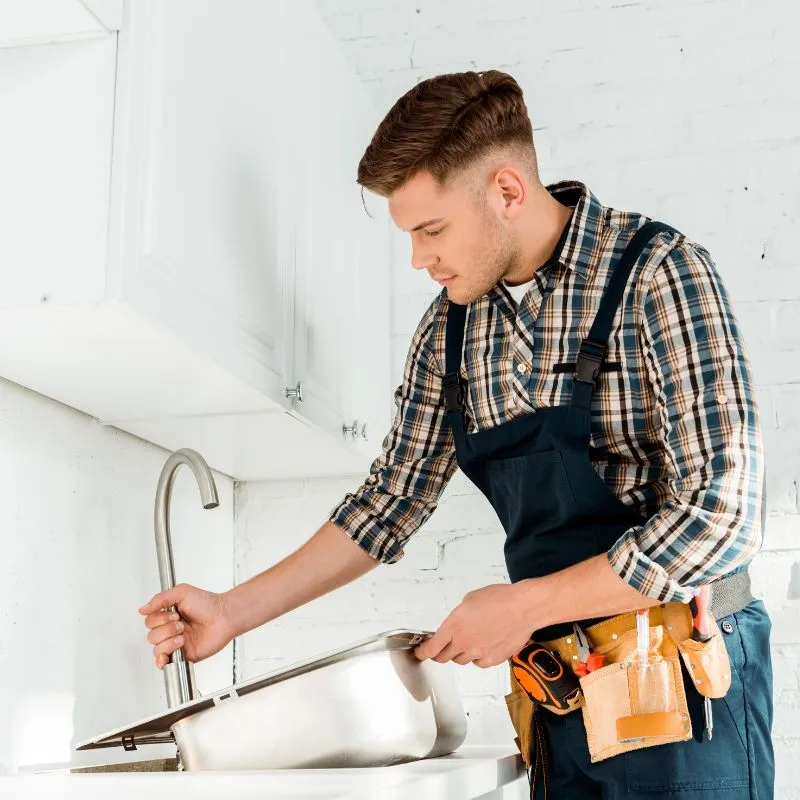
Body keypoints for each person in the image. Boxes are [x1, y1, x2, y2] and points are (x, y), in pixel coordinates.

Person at [139, 70, 773, 798]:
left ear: (507, 191)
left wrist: (523, 607)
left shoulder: (659, 274)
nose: (418, 258)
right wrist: (229, 611)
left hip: (686, 689)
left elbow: (721, 519)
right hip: (562, 697)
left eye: (431, 229)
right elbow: (389, 503)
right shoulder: (451, 330)